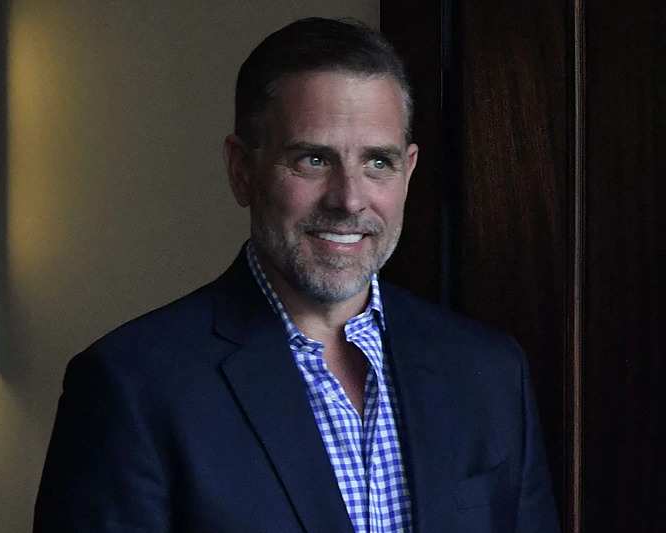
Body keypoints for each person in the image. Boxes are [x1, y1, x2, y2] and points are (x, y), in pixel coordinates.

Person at [33, 17, 560, 533]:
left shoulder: (489, 373)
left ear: (409, 171)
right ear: (242, 170)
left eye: (378, 162)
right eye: (312, 159)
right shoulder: (131, 387)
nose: (349, 198)